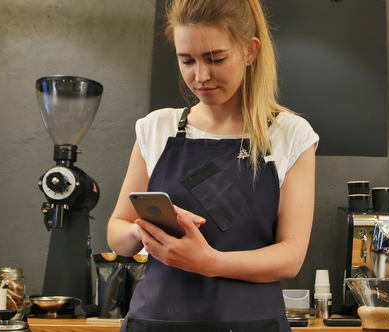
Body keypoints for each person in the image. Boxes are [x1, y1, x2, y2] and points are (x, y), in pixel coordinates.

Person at [106, 0, 319, 331]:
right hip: (155, 322)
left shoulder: (289, 134)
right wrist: (142, 230)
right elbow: (117, 231)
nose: (200, 76)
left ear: (250, 51)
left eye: (215, 59)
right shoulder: (156, 128)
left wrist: (209, 262)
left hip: (252, 324)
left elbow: (290, 258)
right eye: (186, 60)